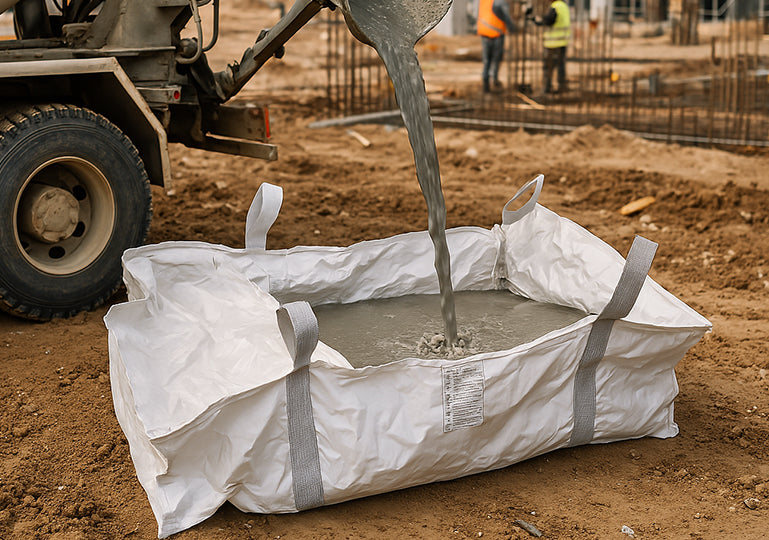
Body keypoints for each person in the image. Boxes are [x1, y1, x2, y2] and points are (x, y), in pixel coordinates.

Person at [529, 0, 571, 94]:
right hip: (562, 41)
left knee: (548, 66)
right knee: (560, 65)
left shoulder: (555, 6)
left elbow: (549, 21)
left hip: (553, 43)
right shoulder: (564, 6)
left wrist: (538, 20)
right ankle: (561, 85)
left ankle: (547, 87)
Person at [477, 0, 516, 93]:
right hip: (496, 33)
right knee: (496, 58)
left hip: (484, 32)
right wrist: (513, 28)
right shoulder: (499, 1)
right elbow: (505, 15)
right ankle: (494, 79)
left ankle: (486, 82)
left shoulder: (484, 1)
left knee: (486, 60)